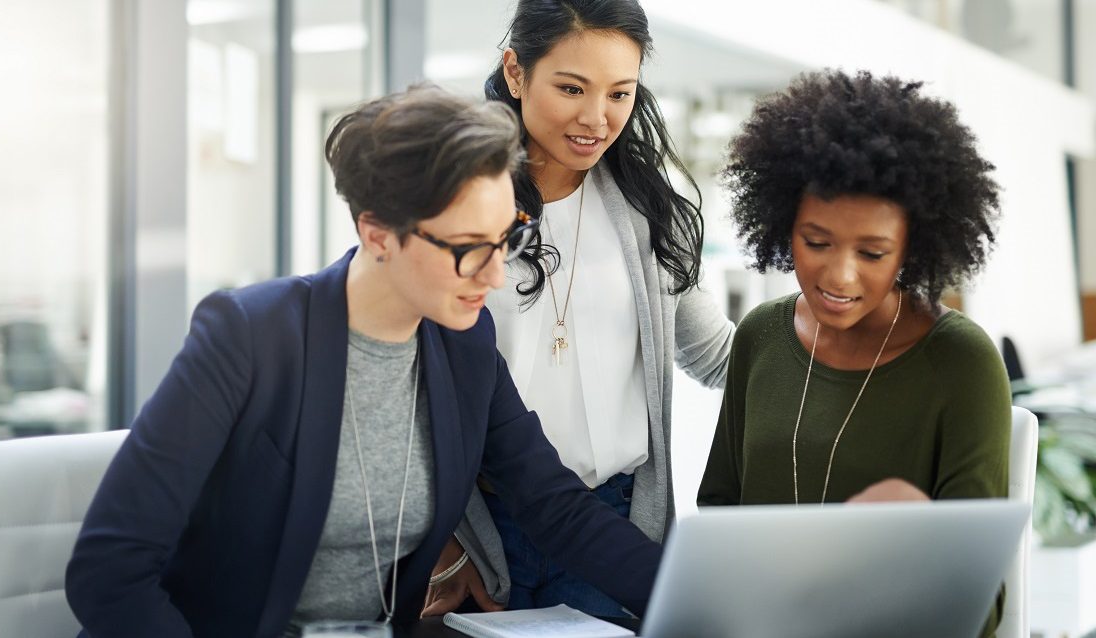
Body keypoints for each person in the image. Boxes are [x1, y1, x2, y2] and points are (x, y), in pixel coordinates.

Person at [64, 85, 662, 638]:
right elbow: (108, 571)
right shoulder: (249, 336)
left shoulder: (465, 343)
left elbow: (552, 504)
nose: (497, 273)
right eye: (468, 248)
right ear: (377, 235)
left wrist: (697, 593)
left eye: (507, 238)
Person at [422, 0, 734, 619]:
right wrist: (444, 546)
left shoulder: (647, 211)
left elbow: (719, 356)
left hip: (614, 526)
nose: (597, 118)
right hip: (485, 534)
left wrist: (852, 335)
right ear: (516, 73)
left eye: (621, 94)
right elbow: (409, 387)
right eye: (571, 88)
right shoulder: (456, 209)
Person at [696, 69, 1010, 636]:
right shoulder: (760, 336)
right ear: (782, 224)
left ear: (913, 249)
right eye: (816, 242)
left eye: (872, 252)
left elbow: (976, 600)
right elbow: (718, 517)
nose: (838, 275)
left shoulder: (961, 364)